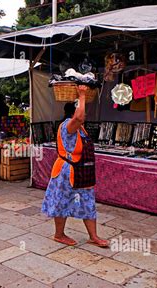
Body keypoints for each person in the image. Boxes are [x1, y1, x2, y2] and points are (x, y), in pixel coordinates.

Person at [41, 86, 109, 248]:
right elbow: (78, 118)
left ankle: (94, 236)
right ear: (75, 111)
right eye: (82, 110)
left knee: (88, 202)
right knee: (62, 202)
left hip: (82, 172)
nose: (84, 114)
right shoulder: (67, 126)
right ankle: (59, 234)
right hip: (66, 171)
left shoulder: (81, 128)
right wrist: (83, 95)